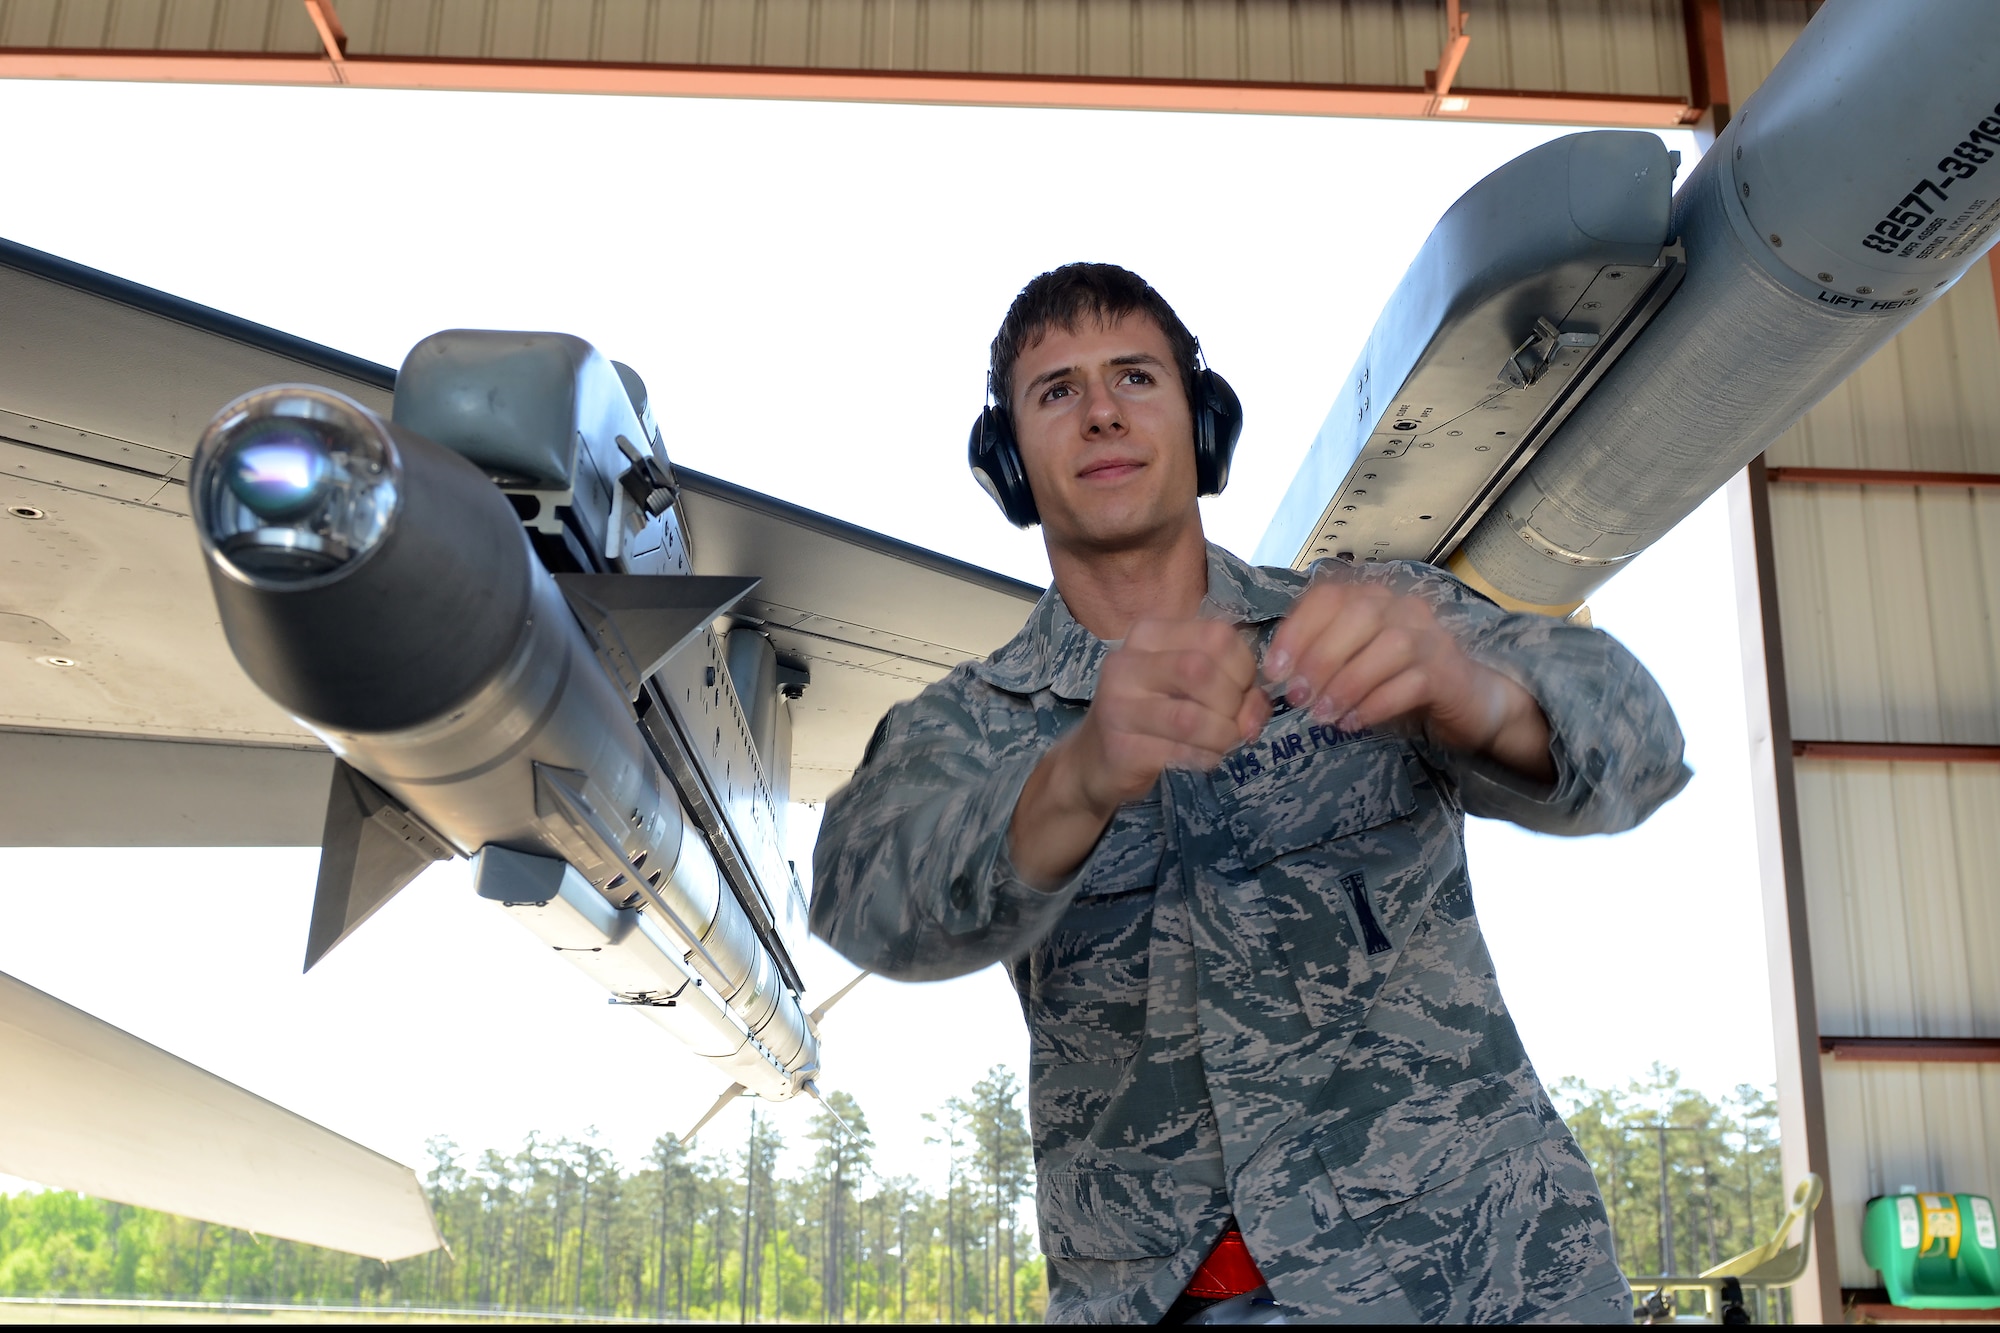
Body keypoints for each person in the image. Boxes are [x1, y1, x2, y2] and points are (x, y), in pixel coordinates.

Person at [810, 263, 1688, 1324]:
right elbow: (862, 900)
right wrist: (1080, 774)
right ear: (1007, 460)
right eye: (1055, 392)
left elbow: (1641, 741)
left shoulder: (1370, 614)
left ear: (1201, 420)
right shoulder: (970, 723)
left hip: (1474, 1275)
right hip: (1160, 1298)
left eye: (1134, 377)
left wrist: (1476, 697)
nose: (1099, 413)